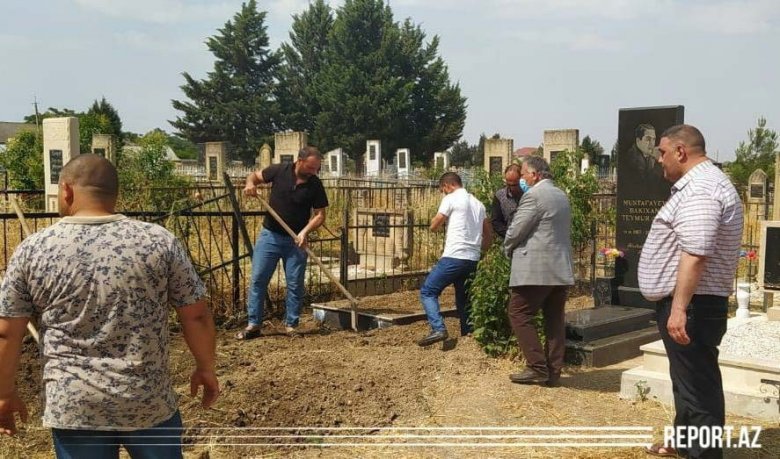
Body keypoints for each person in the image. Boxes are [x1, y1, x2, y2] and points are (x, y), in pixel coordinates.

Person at [0, 154, 218, 457]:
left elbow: (7, 332)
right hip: (146, 400)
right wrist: (206, 367)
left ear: (66, 190)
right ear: (115, 193)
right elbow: (196, 316)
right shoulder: (158, 241)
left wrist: (4, 393)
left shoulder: (34, 249)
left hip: (76, 405)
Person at [638, 125, 743, 459]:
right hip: (691, 302)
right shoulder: (699, 185)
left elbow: (696, 253)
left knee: (698, 389)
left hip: (694, 304)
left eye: (662, 152)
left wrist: (679, 308)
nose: (659, 160)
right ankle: (684, 442)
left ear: (681, 151)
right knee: (685, 381)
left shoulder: (701, 188)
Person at [238, 146, 329, 339]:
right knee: (258, 279)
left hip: (296, 241)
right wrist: (250, 184)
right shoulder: (279, 171)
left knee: (295, 284)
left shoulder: (315, 184)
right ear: (300, 161)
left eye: (317, 168)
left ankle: (291, 325)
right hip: (270, 236)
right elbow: (254, 176)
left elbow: (320, 215)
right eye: (311, 167)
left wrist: (304, 232)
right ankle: (253, 324)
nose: (314, 172)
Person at [504, 156, 573, 386]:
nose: (522, 178)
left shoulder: (534, 196)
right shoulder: (561, 194)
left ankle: (536, 366)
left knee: (518, 313)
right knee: (554, 319)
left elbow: (517, 230)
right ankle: (553, 371)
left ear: (535, 175)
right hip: (559, 267)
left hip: (536, 268)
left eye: (524, 174)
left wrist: (507, 247)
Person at [417, 172, 491, 346]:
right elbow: (488, 235)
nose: (443, 193)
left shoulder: (451, 198)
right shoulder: (478, 204)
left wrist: (432, 225)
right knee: (464, 298)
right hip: (472, 259)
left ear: (448, 185)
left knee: (428, 291)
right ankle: (468, 333)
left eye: (442, 190)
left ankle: (438, 328)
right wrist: (479, 252)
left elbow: (435, 225)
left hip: (454, 255)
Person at [491, 163, 524, 239]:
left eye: (514, 185)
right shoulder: (500, 196)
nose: (512, 188)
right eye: (509, 184)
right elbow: (496, 221)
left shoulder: (529, 194)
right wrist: (509, 235)